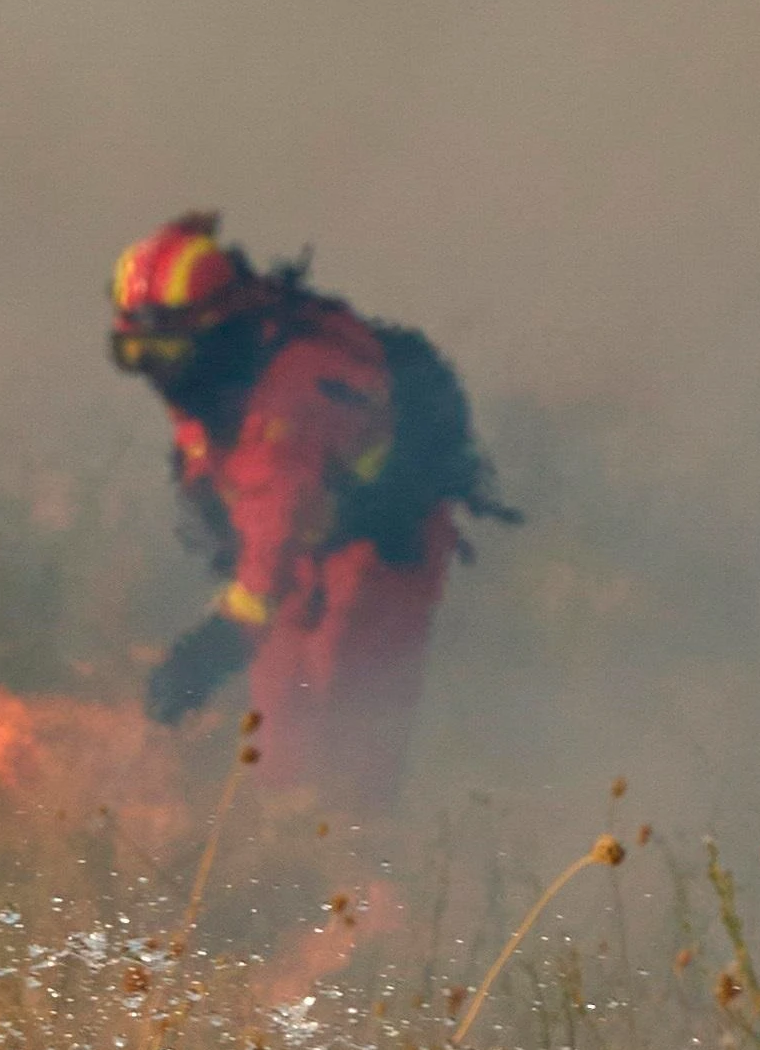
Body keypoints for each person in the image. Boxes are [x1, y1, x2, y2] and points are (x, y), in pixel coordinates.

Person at [105, 212, 511, 815]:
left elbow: (266, 560)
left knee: (344, 720)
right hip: (307, 550)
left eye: (164, 352)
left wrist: (201, 657)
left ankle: (359, 872)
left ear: (214, 334)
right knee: (280, 732)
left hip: (379, 552)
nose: (155, 375)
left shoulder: (289, 404)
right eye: (135, 354)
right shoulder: (213, 376)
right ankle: (290, 851)